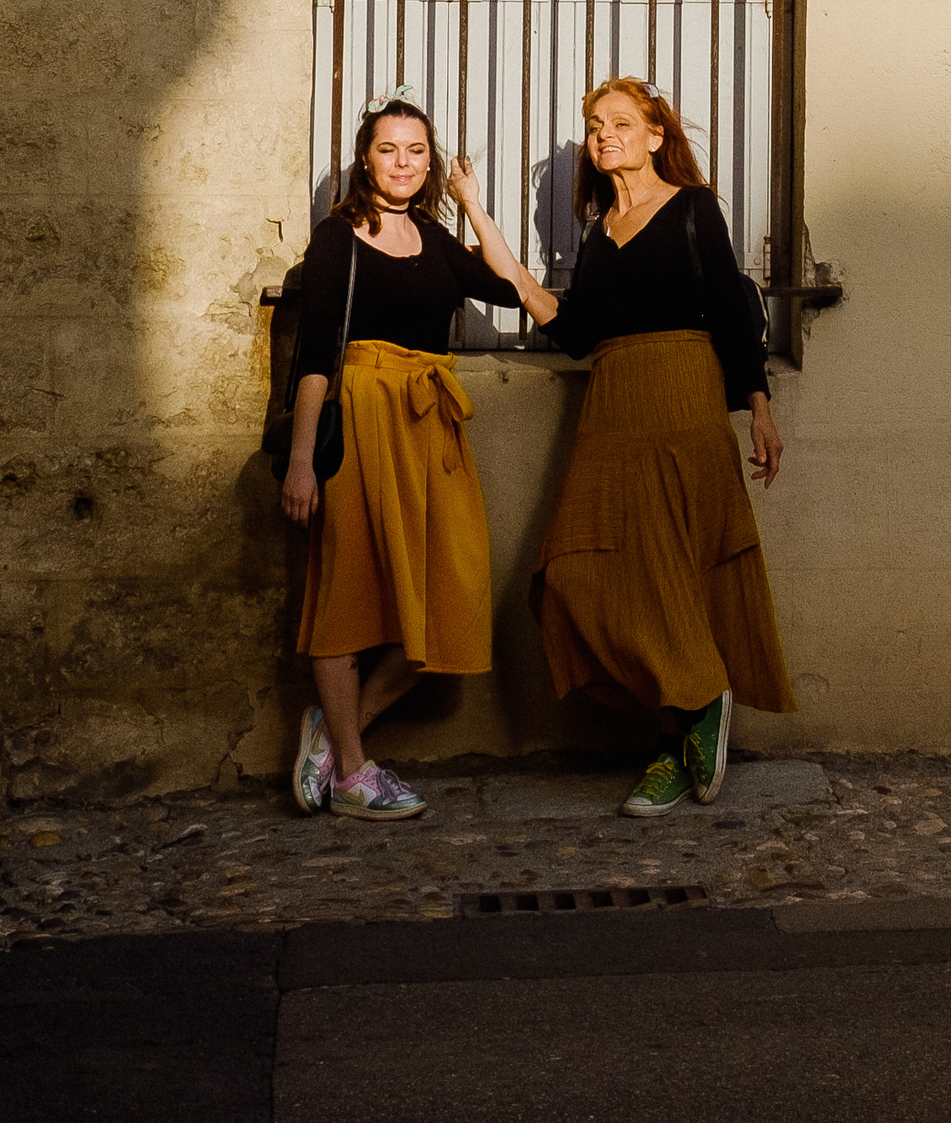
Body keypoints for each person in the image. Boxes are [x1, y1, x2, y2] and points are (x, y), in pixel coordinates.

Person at [280, 91, 558, 819]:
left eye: (415, 151)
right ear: (364, 159)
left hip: (430, 427)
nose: (402, 163)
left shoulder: (435, 237)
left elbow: (511, 291)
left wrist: (472, 205)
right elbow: (315, 358)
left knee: (448, 593)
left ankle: (337, 734)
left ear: (429, 163)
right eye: (386, 149)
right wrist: (303, 461)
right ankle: (353, 773)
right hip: (364, 420)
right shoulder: (337, 239)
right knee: (348, 595)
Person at [534, 77, 795, 817]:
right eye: (593, 125)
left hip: (682, 390)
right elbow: (580, 334)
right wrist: (507, 265)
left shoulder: (690, 209)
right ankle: (697, 699)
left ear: (655, 136)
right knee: (576, 574)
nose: (603, 135)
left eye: (620, 122)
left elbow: (731, 317)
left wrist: (758, 410)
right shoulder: (595, 232)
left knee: (671, 569)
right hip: (612, 403)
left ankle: (672, 744)